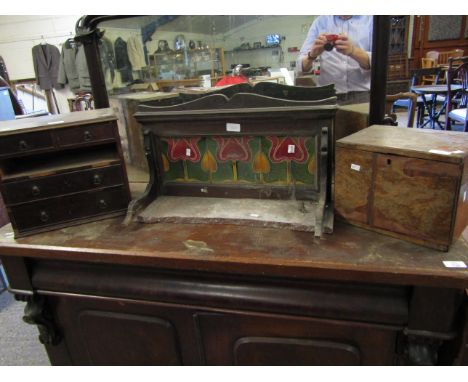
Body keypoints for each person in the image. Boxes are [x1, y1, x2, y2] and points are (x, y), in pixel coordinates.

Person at [297, 15, 373, 104]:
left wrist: (353, 51)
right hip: (328, 96)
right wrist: (312, 55)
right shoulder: (320, 21)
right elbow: (301, 67)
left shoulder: (371, 20)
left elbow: (378, 62)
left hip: (362, 95)